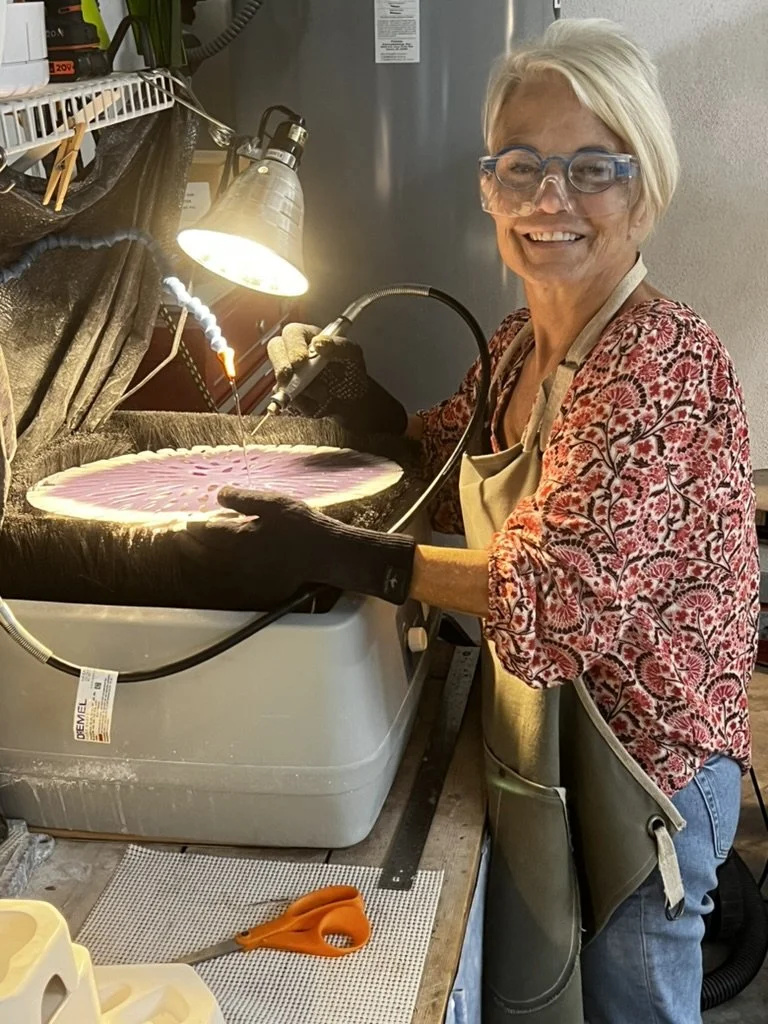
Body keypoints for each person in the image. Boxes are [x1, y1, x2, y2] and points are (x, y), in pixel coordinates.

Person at [189, 19, 759, 1024]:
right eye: (521, 167)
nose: (550, 199)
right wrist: (362, 407)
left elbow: (556, 597)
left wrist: (342, 553)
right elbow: (454, 449)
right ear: (489, 187)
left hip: (650, 772)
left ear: (645, 192)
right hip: (560, 740)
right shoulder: (522, 339)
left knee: (633, 1008)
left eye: (593, 168)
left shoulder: (658, 363)